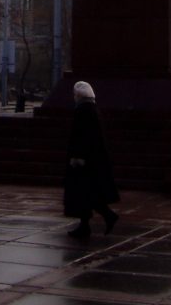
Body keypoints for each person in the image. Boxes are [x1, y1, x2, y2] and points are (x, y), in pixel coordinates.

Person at [63, 81, 119, 238]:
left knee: (85, 193)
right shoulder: (92, 109)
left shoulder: (83, 110)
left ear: (79, 96)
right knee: (88, 194)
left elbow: (81, 136)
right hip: (93, 160)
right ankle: (87, 224)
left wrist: (77, 157)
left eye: (75, 94)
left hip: (84, 161)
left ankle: (105, 217)